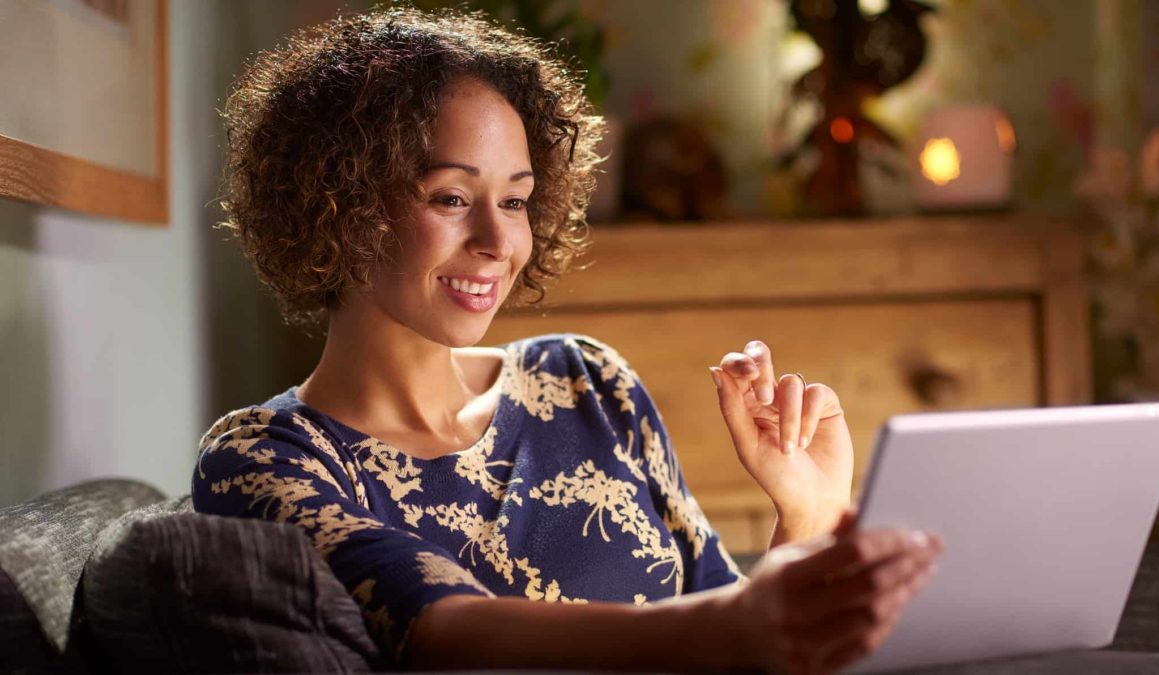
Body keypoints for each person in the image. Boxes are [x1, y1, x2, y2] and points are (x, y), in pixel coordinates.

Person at [193, 6, 942, 673]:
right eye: (451, 198)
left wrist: (805, 517)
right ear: (341, 200)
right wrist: (735, 625)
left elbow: (735, 636)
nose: (497, 239)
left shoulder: (584, 378)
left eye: (516, 199)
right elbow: (445, 630)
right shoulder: (263, 459)